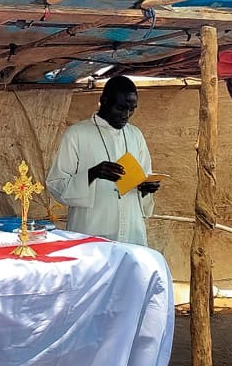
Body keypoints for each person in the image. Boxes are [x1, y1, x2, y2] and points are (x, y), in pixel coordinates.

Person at [46, 75, 160, 245]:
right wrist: (92, 174)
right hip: (91, 230)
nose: (126, 115)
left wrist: (146, 188)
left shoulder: (135, 134)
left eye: (132, 109)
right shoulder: (77, 134)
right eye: (120, 108)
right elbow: (56, 185)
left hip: (131, 229)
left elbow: (144, 177)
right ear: (104, 101)